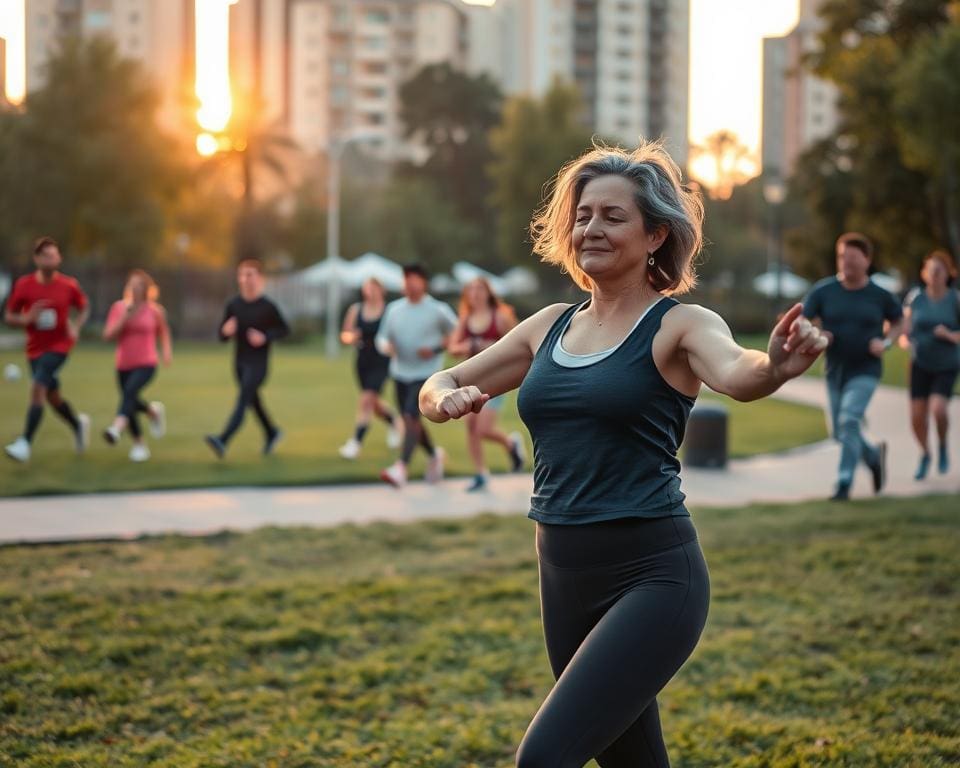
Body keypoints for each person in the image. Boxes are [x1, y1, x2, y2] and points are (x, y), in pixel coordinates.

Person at [419, 143, 828, 768]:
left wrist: (775, 365)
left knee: (543, 759)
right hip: (562, 574)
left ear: (656, 233)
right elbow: (439, 381)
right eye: (583, 215)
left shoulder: (680, 325)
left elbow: (739, 374)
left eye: (613, 216)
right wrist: (444, 398)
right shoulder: (549, 325)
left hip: (655, 577)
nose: (591, 228)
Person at [802, 232, 904, 500]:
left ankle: (843, 482)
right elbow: (803, 319)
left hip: (866, 370)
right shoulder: (825, 291)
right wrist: (819, 334)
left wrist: (886, 343)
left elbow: (898, 322)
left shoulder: (879, 295)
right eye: (841, 257)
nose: (845, 263)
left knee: (849, 421)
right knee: (839, 432)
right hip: (835, 370)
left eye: (852, 258)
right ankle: (872, 456)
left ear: (866, 260)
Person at [3, 237, 91, 463]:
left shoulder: (68, 285)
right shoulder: (24, 285)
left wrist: (75, 326)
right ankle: (78, 425)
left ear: (59, 258)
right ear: (37, 259)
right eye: (47, 256)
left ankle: (25, 443)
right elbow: (9, 316)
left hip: (60, 346)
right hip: (34, 350)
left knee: (38, 387)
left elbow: (84, 307)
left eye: (55, 255)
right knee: (52, 398)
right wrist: (27, 318)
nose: (52, 259)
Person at [375, 262, 458, 488]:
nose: (410, 284)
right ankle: (434, 455)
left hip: (427, 374)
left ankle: (401, 468)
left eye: (414, 279)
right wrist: (387, 347)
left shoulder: (437, 309)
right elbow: (381, 338)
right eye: (406, 279)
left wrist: (435, 348)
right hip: (400, 372)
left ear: (424, 282)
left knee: (412, 416)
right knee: (410, 420)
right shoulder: (394, 309)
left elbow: (457, 332)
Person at [204, 258, 289, 459]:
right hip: (239, 363)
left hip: (259, 364)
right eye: (242, 275)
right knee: (253, 401)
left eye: (250, 274)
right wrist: (226, 331)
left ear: (260, 278)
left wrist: (265, 337)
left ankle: (223, 439)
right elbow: (222, 337)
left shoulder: (267, 306)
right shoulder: (234, 305)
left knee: (243, 400)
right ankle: (272, 432)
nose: (245, 279)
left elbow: (284, 330)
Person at [447, 277, 526, 491]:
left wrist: (490, 345)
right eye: (470, 289)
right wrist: (468, 346)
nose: (475, 293)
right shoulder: (466, 319)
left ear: (488, 292)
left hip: (496, 379)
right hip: (471, 379)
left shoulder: (499, 317)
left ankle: (511, 444)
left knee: (483, 428)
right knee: (471, 428)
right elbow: (453, 347)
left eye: (479, 288)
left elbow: (519, 344)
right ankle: (481, 473)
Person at [899, 250, 960, 479]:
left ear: (947, 273)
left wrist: (950, 335)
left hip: (946, 364)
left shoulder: (955, 299)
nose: (934, 274)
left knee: (938, 409)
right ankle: (925, 453)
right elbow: (905, 329)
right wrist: (905, 341)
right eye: (930, 270)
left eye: (939, 270)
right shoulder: (916, 298)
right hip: (920, 363)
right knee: (916, 417)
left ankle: (943, 445)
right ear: (924, 274)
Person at [102, 270, 173, 462]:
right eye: (132, 284)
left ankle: (116, 428)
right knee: (130, 400)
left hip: (147, 362)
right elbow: (108, 336)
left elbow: (164, 331)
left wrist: (166, 351)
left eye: (139, 285)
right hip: (123, 364)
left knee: (129, 394)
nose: (135, 288)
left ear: (146, 289)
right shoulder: (118, 308)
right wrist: (125, 316)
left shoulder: (155, 311)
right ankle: (151, 416)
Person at [337, 277, 402, 459]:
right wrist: (351, 337)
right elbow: (345, 334)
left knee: (366, 400)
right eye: (368, 288)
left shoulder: (389, 311)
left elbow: (396, 334)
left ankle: (355, 443)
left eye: (374, 288)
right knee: (373, 404)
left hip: (381, 360)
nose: (371, 292)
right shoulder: (356, 309)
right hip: (362, 360)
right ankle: (394, 422)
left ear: (382, 290)